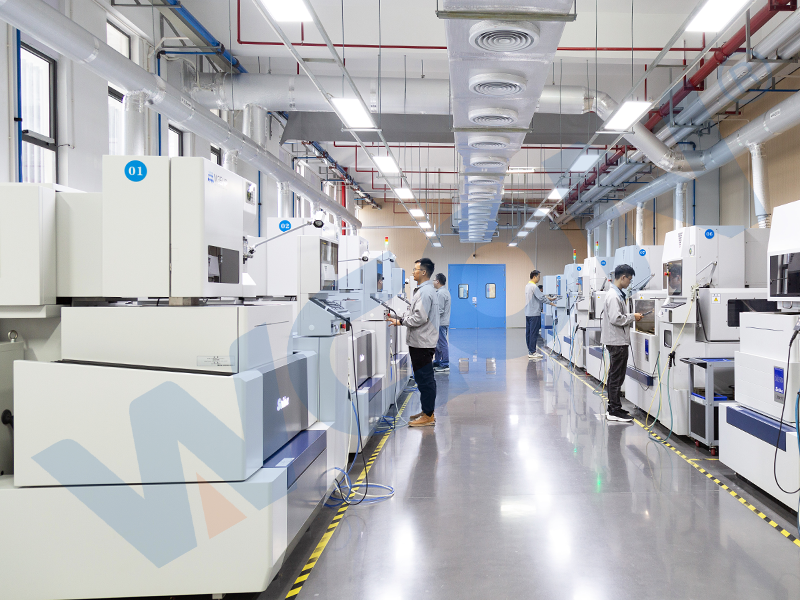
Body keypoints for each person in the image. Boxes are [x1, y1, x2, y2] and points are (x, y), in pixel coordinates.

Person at [387, 258, 439, 427]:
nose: (413, 272)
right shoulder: (424, 290)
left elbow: (419, 318)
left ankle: (429, 415)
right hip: (421, 341)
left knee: (425, 379)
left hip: (422, 342)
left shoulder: (425, 292)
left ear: (424, 272)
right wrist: (396, 316)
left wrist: (401, 322)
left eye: (415, 269)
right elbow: (415, 313)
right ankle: (426, 411)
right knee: (423, 378)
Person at [601, 264, 643, 422]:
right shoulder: (613, 296)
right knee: (616, 376)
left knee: (615, 375)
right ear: (623, 277)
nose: (629, 283)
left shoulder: (616, 294)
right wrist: (633, 317)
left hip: (616, 340)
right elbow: (616, 318)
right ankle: (614, 410)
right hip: (617, 342)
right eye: (629, 279)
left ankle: (614, 407)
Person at [525, 271, 555, 360]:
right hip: (534, 313)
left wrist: (550, 298)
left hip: (528, 313)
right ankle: (533, 352)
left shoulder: (527, 286)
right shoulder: (534, 286)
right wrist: (552, 303)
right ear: (534, 277)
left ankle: (530, 350)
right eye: (539, 277)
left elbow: (539, 295)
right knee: (534, 333)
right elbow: (541, 298)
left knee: (529, 333)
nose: (539, 278)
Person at [432, 273, 451, 373]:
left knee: (442, 343)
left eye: (434, 280)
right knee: (438, 343)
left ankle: (445, 364)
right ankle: (438, 361)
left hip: (440, 323)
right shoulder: (443, 292)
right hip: (441, 322)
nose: (433, 282)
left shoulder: (441, 293)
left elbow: (439, 310)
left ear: (437, 281)